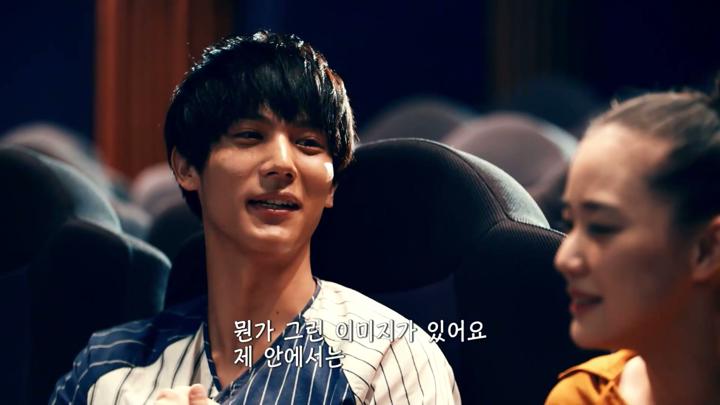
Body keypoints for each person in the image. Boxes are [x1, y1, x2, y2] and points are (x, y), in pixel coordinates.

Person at [49, 31, 460, 405]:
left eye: (308, 143)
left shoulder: (391, 359)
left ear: (332, 185)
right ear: (186, 167)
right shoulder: (106, 368)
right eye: (249, 136)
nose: (281, 164)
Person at [545, 84, 720, 404]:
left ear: (706, 250)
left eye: (601, 228)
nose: (564, 258)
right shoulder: (580, 398)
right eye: (569, 224)